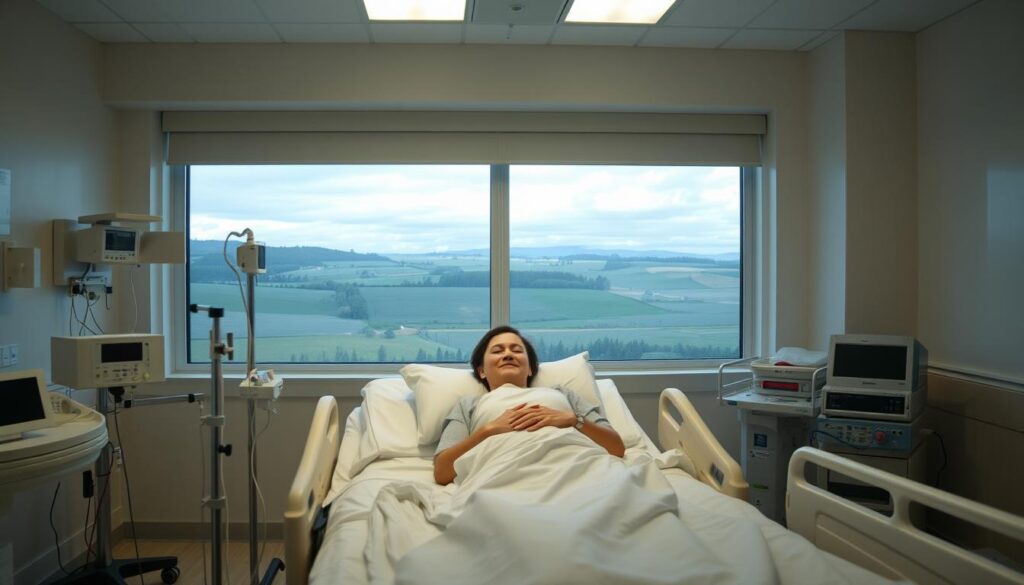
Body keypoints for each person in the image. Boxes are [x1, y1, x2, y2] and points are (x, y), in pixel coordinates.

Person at [433, 325, 625, 485]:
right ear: (482, 371)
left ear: (530, 368)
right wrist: (489, 430)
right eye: (498, 351)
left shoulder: (561, 393)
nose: (508, 354)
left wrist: (574, 420)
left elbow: (616, 448)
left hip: (577, 469)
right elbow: (442, 471)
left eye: (516, 350)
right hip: (502, 475)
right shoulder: (469, 404)